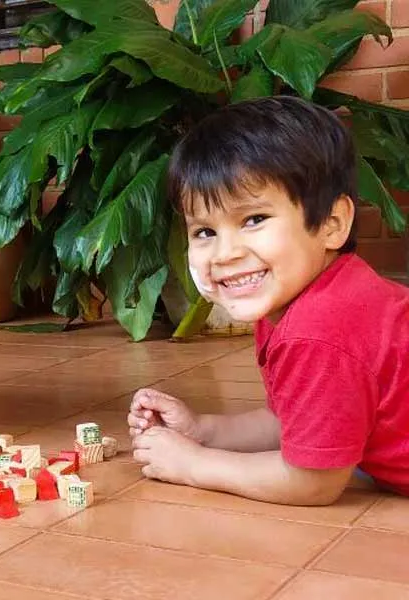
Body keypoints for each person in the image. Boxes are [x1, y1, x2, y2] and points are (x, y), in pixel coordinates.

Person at [128, 96, 409, 505]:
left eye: (254, 220)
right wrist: (202, 429)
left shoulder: (319, 329)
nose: (225, 254)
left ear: (332, 225)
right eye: (204, 231)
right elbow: (293, 421)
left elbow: (313, 482)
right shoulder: (297, 298)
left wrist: (194, 464)